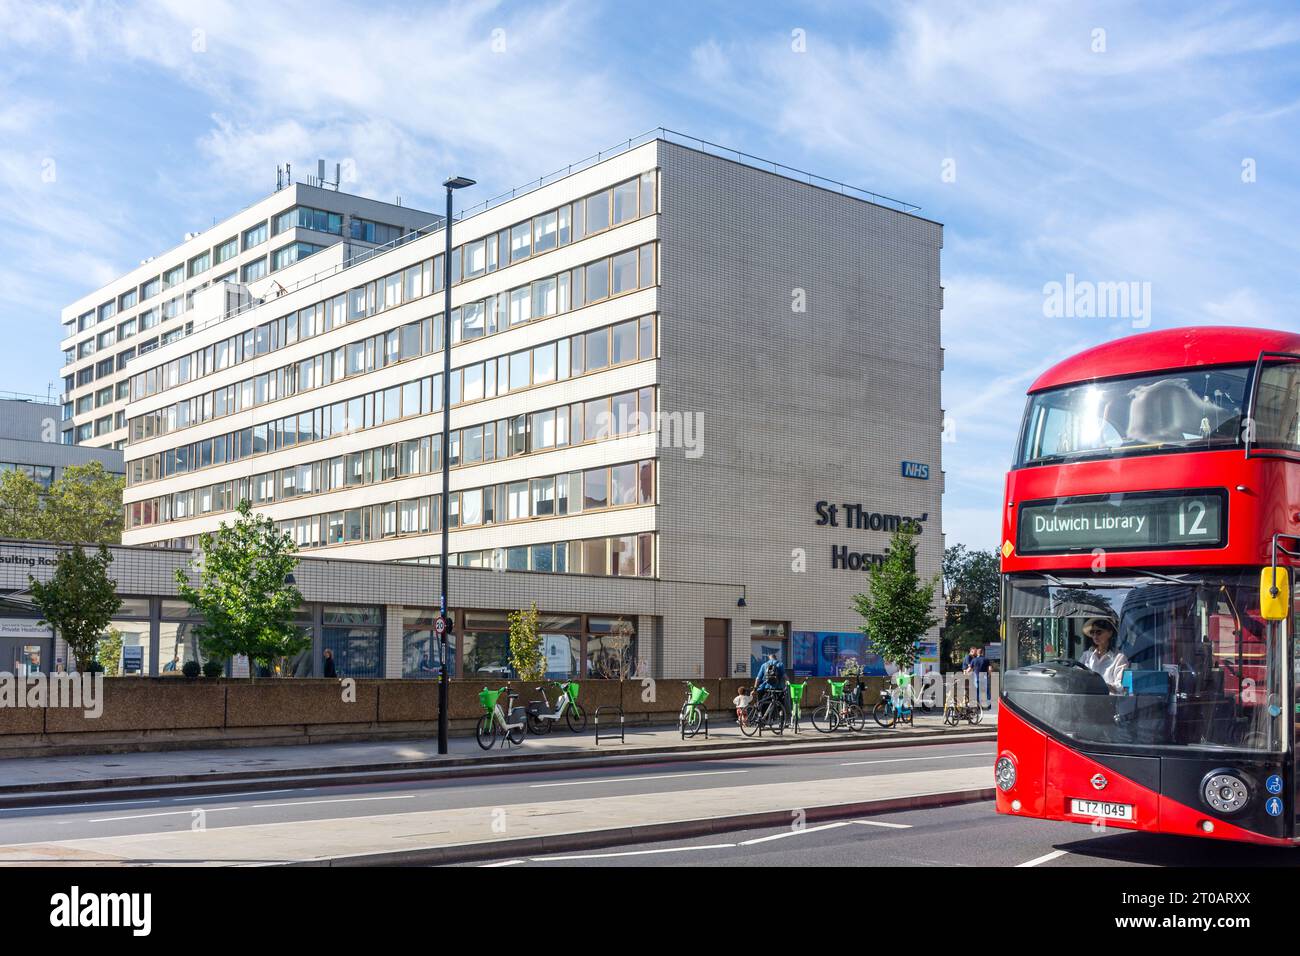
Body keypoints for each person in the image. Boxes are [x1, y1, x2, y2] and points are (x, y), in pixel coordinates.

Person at [1079, 617, 1128, 695]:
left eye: (1099, 632)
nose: (1095, 636)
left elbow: (1121, 687)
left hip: (1110, 703)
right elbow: (1077, 677)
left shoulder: (1119, 658)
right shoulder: (1086, 656)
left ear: (1110, 633)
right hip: (1087, 701)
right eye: (1092, 632)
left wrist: (1100, 686)